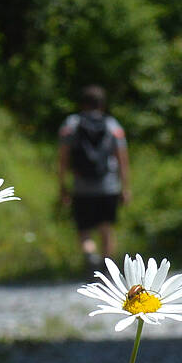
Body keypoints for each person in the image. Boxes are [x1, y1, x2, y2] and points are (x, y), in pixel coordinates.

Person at [57, 86, 130, 275]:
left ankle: (91, 256)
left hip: (82, 188)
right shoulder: (113, 126)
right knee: (106, 228)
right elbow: (122, 159)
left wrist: (63, 187)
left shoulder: (71, 124)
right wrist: (125, 188)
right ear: (102, 105)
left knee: (84, 230)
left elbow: (63, 159)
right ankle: (107, 269)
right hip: (108, 187)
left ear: (83, 104)